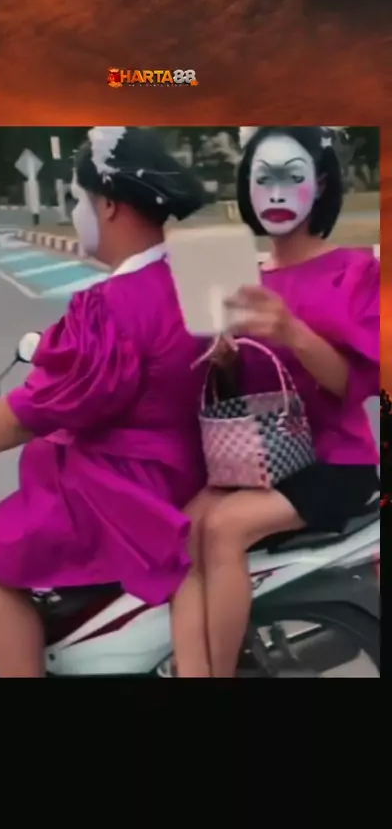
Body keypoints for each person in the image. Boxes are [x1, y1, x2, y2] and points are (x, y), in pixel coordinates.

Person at [0, 126, 208, 677]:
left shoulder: (111, 306)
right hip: (182, 467)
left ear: (108, 204)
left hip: (124, 489)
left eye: (78, 199)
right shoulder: (187, 278)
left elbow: (27, 415)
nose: (75, 213)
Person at [171, 126, 380, 678]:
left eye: (293, 176)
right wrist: (224, 360)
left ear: (322, 184)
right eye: (263, 179)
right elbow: (249, 393)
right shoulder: (246, 278)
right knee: (178, 528)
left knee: (224, 528)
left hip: (336, 461)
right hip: (263, 458)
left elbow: (354, 387)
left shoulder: (356, 271)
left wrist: (293, 331)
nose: (277, 193)